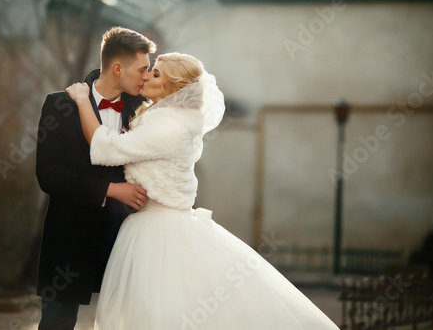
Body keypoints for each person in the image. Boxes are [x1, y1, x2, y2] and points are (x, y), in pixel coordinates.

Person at [66, 53, 339, 329]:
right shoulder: (168, 119)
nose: (147, 75)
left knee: (162, 313)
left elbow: (107, 148)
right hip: (154, 223)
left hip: (160, 231)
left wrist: (81, 100)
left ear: (175, 88)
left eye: (157, 74)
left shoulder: (168, 126)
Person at [35, 27, 156, 330]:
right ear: (118, 68)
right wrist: (110, 189)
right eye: (143, 69)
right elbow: (49, 175)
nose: (146, 76)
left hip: (126, 238)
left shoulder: (145, 112)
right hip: (69, 240)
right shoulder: (59, 105)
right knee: (57, 322)